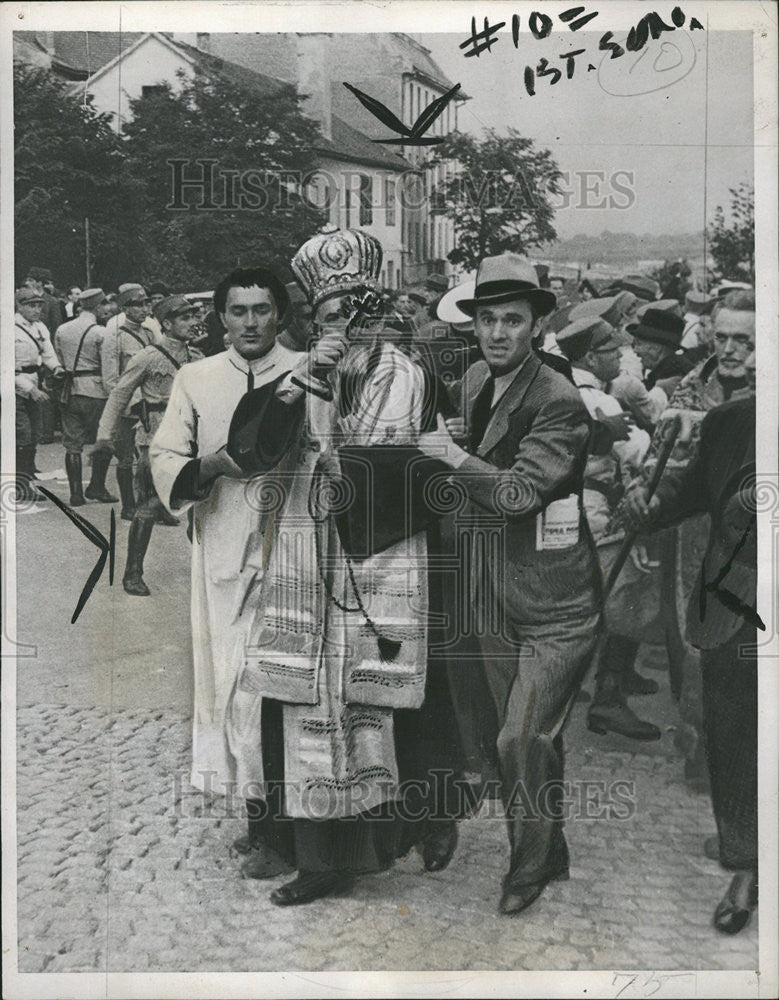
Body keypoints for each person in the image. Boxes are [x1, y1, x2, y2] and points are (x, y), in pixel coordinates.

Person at [226, 226, 475, 905]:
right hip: (311, 556)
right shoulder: (306, 372)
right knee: (303, 698)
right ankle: (313, 854)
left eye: (356, 313)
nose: (345, 326)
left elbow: (410, 466)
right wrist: (303, 382)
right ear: (316, 320)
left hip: (386, 552)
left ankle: (386, 839)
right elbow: (253, 447)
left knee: (380, 702)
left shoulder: (408, 373)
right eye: (330, 316)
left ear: (379, 311)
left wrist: (345, 460)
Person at [416, 253, 602, 915]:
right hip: (492, 594)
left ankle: (529, 867)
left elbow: (520, 492)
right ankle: (546, 844)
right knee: (513, 736)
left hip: (557, 607)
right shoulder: (471, 379)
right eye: (487, 319)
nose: (497, 332)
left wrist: (453, 458)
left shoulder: (558, 398)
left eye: (512, 321)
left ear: (535, 325)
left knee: (518, 736)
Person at [150, 266, 309, 806]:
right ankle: (252, 800)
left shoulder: (306, 371)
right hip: (221, 537)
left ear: (280, 315)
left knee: (283, 670)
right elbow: (166, 454)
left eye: (262, 309)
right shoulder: (196, 377)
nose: (250, 321)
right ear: (220, 317)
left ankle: (288, 808)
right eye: (238, 310)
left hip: (296, 537)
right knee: (229, 668)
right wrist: (211, 465)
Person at [626, 372, 758, 934]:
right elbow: (693, 488)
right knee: (737, 739)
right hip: (738, 604)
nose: (732, 351)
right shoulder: (732, 420)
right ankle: (749, 868)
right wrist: (650, 504)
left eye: (742, 340)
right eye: (723, 338)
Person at [556, 316, 661, 740]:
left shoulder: (557, 390)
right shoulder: (604, 403)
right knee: (628, 601)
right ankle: (609, 700)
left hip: (563, 515)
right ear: (588, 356)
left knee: (573, 607)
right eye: (610, 350)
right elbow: (639, 454)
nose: (620, 354)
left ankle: (564, 692)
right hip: (598, 513)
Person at [96, 296, 203, 595]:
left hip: (193, 440)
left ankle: (207, 568)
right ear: (167, 324)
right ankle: (133, 573)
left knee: (199, 503)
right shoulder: (147, 356)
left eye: (193, 317)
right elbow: (119, 394)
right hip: (156, 438)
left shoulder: (197, 357)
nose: (192, 323)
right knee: (150, 504)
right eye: (184, 318)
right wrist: (104, 434)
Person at [100, 284, 166, 521]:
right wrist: (133, 402)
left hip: (151, 406)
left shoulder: (150, 333)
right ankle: (129, 505)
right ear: (125, 308)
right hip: (130, 408)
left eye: (146, 304)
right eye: (137, 305)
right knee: (126, 458)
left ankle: (154, 504)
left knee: (152, 459)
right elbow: (110, 379)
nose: (143, 309)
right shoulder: (114, 336)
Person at [53, 289, 118, 507]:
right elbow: (108, 368)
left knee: (73, 444)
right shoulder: (101, 332)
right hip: (96, 392)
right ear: (98, 307)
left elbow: (59, 359)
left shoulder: (62, 329)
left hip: (70, 391)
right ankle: (97, 486)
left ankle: (76, 494)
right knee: (105, 439)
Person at [14, 287, 65, 501]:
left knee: (35, 433)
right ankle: (20, 485)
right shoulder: (10, 328)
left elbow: (48, 353)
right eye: (31, 305)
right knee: (22, 434)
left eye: (38, 305)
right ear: (19, 306)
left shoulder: (41, 327)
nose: (36, 310)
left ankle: (26, 476)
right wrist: (30, 389)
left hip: (35, 381)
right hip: (14, 387)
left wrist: (56, 368)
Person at [630, 308, 695, 401]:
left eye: (639, 344)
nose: (635, 350)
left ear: (657, 347)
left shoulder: (671, 376)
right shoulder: (669, 369)